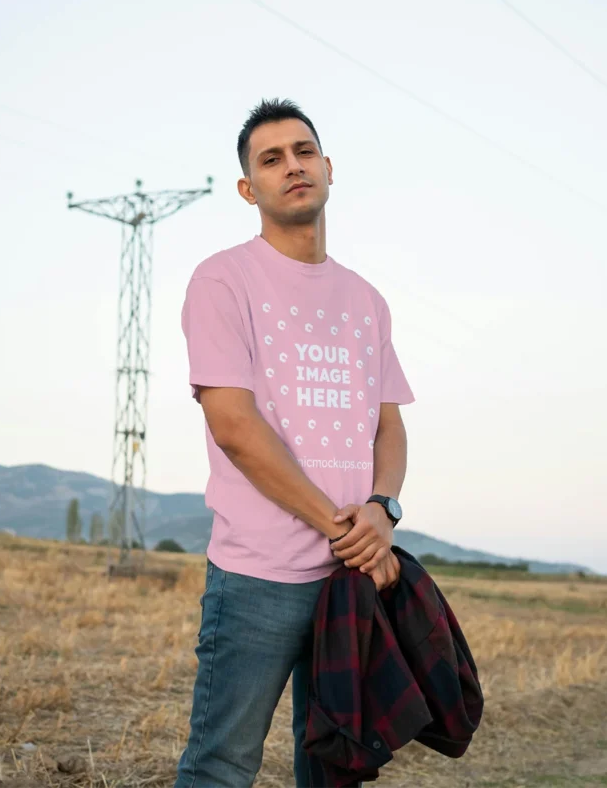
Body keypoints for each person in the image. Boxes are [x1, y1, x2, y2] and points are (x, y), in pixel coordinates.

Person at [174, 99, 414, 788]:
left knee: (335, 768)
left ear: (328, 168)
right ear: (249, 189)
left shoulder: (366, 299)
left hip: (349, 580)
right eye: (271, 159)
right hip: (258, 577)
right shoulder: (222, 279)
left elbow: (387, 424)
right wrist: (346, 529)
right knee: (221, 767)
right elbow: (236, 427)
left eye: (303, 151)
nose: (292, 166)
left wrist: (382, 509)